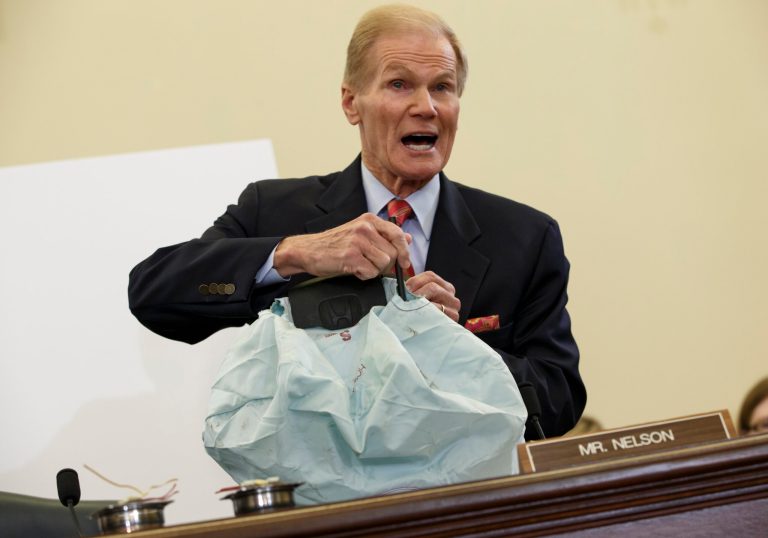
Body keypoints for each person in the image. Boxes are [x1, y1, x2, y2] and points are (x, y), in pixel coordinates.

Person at [128, 4, 586, 438]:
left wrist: (453, 349)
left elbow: (560, 400)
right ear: (351, 103)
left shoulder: (525, 237)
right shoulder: (274, 210)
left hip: (467, 491)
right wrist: (294, 253)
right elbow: (154, 293)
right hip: (320, 489)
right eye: (399, 84)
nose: (426, 106)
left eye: (442, 87)